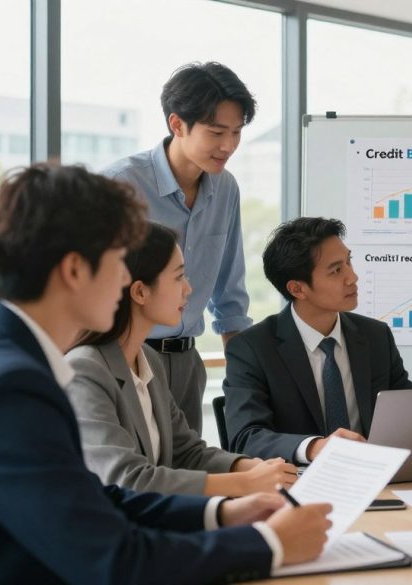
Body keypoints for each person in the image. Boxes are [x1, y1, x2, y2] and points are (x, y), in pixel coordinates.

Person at [0, 164, 329, 584]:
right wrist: (269, 545)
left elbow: (92, 499)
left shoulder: (12, 360)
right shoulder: (11, 387)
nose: (127, 278)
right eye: (117, 260)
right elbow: (113, 559)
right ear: (74, 269)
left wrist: (222, 511)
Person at [65, 222, 298, 496]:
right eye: (178, 277)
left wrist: (253, 466)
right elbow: (126, 479)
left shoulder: (148, 359)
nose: (188, 289)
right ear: (140, 292)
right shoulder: (84, 370)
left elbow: (186, 451)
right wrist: (246, 483)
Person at [103, 62, 256, 434]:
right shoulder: (120, 185)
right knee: (134, 476)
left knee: (189, 471)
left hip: (187, 361)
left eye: (236, 132)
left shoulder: (226, 189)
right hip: (125, 357)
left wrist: (244, 376)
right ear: (177, 124)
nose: (229, 145)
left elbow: (229, 291)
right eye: (217, 132)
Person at [224, 217, 412, 462]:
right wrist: (315, 447)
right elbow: (246, 437)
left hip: (373, 477)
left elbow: (405, 417)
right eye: (336, 270)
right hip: (297, 483)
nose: (352, 277)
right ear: (297, 289)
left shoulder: (376, 336)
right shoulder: (252, 348)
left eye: (348, 262)